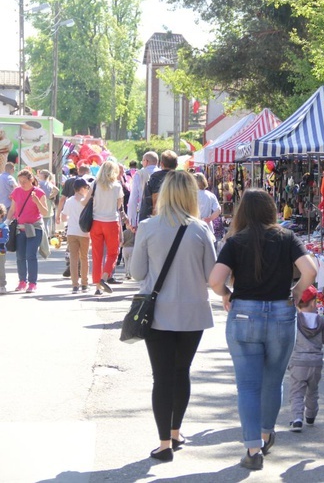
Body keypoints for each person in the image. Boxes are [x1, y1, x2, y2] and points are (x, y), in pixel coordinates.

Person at [208, 189, 317, 471]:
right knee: (273, 381)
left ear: (243, 211)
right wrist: (297, 291)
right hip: (281, 313)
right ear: (271, 210)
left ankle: (253, 448)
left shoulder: (235, 241)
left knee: (247, 385)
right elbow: (310, 270)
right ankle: (267, 433)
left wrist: (227, 293)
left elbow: (215, 280)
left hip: (244, 313)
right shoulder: (287, 237)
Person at [131, 170, 216, 462]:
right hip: (193, 313)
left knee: (162, 377)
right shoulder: (201, 230)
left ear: (164, 194)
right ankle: (177, 431)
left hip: (158, 314)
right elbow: (211, 275)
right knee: (182, 372)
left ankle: (164, 442)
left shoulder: (148, 227)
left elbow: (137, 273)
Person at [287, 285, 324, 432]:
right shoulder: (320, 321)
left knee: (297, 391)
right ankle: (311, 416)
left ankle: (297, 419)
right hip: (315, 364)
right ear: (313, 303)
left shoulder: (294, 320)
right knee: (312, 391)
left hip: (298, 362)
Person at [5, 169, 48, 293]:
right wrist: (6, 223)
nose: (22, 184)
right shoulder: (17, 191)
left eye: (24, 181)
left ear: (31, 180)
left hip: (34, 228)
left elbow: (44, 212)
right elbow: (13, 208)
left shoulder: (39, 193)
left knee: (31, 255)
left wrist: (37, 202)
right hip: (20, 228)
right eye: (20, 181)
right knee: (20, 256)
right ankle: (22, 281)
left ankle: (32, 283)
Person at [85, 160, 123, 296]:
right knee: (113, 252)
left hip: (96, 222)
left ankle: (97, 287)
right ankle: (104, 277)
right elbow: (119, 206)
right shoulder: (117, 186)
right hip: (111, 222)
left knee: (97, 255)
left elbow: (85, 201)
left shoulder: (94, 184)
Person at [61, 178, 91, 293]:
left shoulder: (69, 201)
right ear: (82, 188)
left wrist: (70, 219)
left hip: (71, 232)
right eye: (86, 188)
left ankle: (74, 285)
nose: (87, 189)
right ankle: (84, 284)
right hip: (84, 232)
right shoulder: (86, 201)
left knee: (73, 259)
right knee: (84, 258)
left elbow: (64, 217)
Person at [139, 150, 178, 223]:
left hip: (157, 221)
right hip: (179, 221)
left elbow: (146, 206)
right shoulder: (182, 181)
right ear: (177, 165)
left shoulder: (153, 180)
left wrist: (143, 224)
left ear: (161, 164)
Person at [127, 151, 159, 229]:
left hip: (144, 213)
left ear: (146, 161)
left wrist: (132, 222)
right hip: (160, 215)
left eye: (142, 161)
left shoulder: (139, 174)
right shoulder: (162, 174)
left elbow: (133, 199)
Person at [37, 169, 59, 236]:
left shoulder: (40, 183)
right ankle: (46, 238)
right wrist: (50, 196)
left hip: (41, 202)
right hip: (49, 203)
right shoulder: (49, 183)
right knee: (46, 223)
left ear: (43, 175)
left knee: (41, 223)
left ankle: (43, 239)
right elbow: (57, 190)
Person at [0, 204, 8, 294]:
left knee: (1, 269)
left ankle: (2, 285)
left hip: (1, 251)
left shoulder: (3, 226)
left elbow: (5, 239)